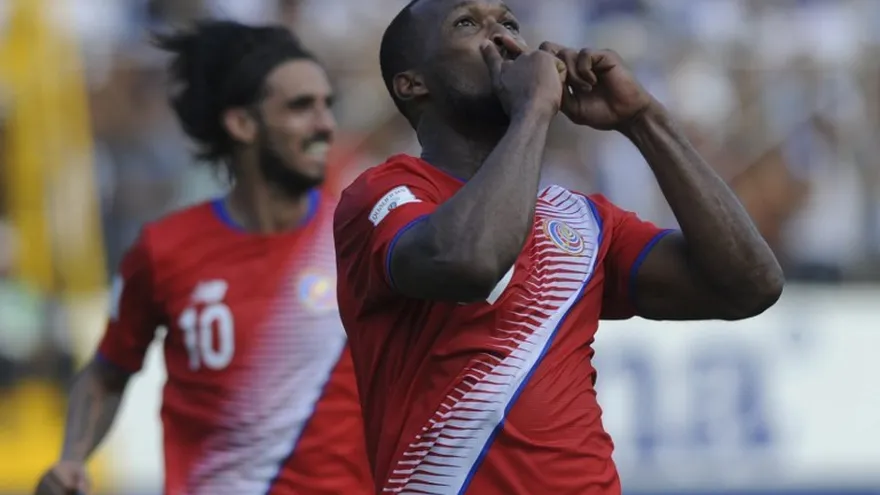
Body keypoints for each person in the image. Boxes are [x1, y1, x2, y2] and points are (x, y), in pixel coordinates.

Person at [332, 0, 785, 494]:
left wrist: (643, 118)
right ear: (411, 83)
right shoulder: (384, 194)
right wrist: (535, 109)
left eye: (509, 22)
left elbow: (751, 286)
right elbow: (472, 261)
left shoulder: (581, 220)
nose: (502, 39)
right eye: (467, 24)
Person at [35, 21, 373, 495]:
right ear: (241, 124)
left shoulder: (359, 239)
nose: (325, 125)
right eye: (301, 107)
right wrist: (72, 458)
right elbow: (107, 373)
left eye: (327, 106)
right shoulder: (165, 249)